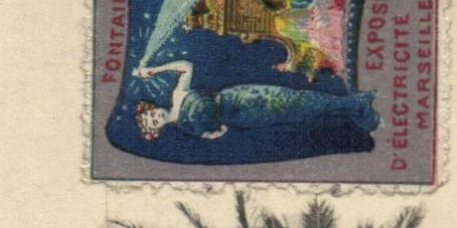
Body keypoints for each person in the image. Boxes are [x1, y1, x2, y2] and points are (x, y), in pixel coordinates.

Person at [134, 60, 379, 140]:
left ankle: (357, 105)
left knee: (293, 98)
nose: (156, 116)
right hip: (243, 116)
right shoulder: (186, 128)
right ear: (156, 130)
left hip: (239, 96)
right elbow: (214, 133)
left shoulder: (177, 95)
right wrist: (216, 130)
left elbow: (187, 66)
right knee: (297, 113)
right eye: (153, 121)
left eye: (151, 113)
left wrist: (155, 70)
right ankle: (356, 108)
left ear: (154, 108)